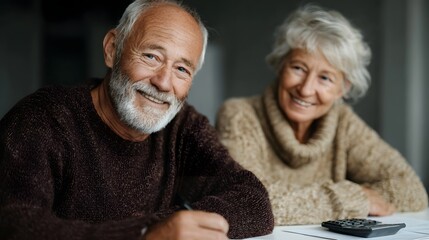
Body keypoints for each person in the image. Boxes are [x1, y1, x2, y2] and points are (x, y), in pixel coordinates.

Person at [0, 0, 274, 239]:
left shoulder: (182, 126)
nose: (164, 83)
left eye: (181, 69)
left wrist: (170, 229)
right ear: (112, 49)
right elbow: (15, 227)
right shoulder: (43, 119)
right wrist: (147, 235)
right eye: (151, 56)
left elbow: (254, 202)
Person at [216, 4, 428, 225]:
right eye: (298, 68)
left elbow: (411, 189)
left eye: (325, 78)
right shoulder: (239, 114)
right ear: (281, 66)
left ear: (343, 88)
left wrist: (300, 203)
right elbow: (248, 201)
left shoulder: (343, 122)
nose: (306, 89)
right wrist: (355, 198)